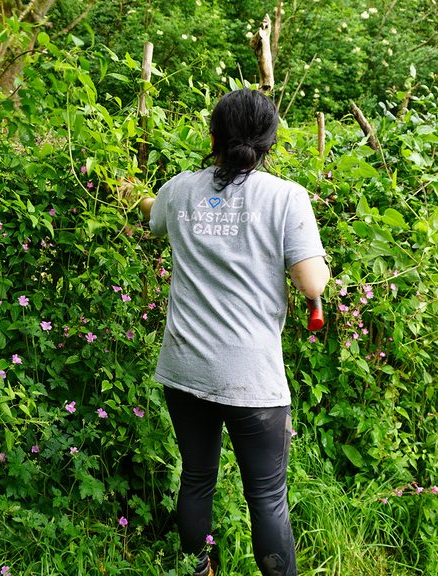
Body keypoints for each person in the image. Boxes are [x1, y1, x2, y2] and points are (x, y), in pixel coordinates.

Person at [138, 89, 329, 576]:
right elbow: (310, 282)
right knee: (266, 495)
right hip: (253, 378)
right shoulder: (286, 197)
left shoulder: (178, 189)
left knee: (197, 478)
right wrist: (319, 272)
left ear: (212, 136)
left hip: (185, 368)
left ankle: (197, 568)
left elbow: (154, 216)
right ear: (270, 142)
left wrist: (132, 193)